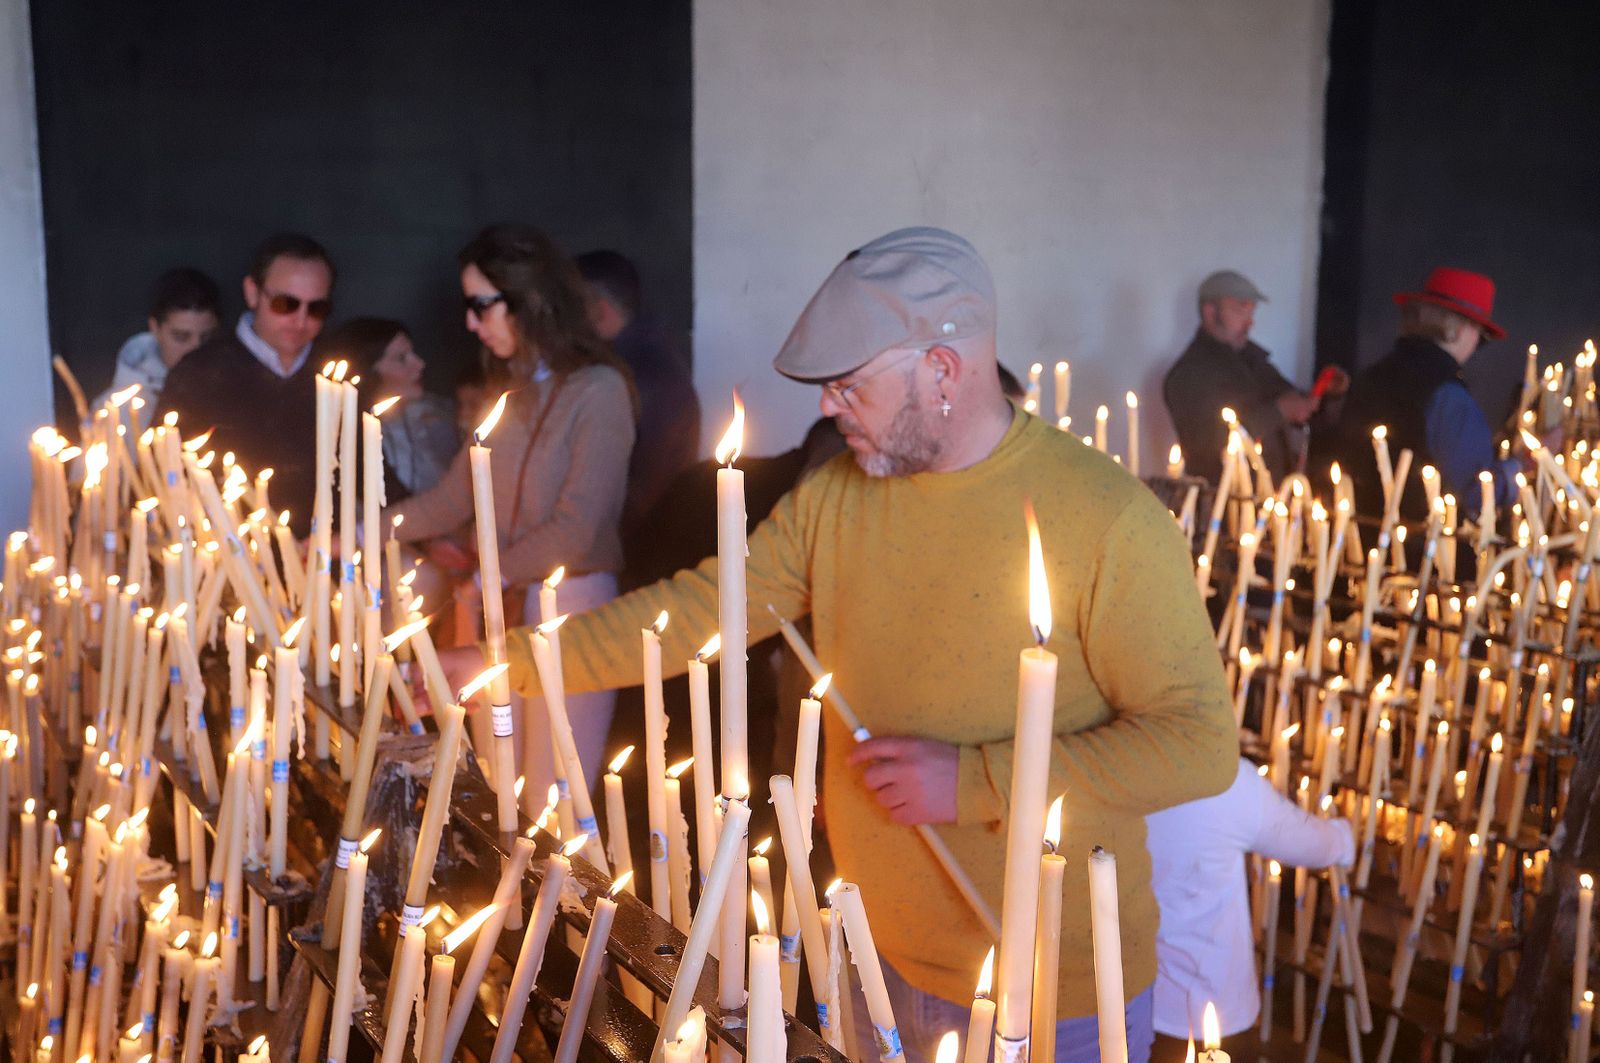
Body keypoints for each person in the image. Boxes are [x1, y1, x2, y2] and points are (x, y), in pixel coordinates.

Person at [446, 226, 1237, 1063]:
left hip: (1056, 981)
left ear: (942, 369)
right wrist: (514, 663)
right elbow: (701, 608)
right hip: (868, 952)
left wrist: (975, 779)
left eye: (850, 386)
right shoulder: (836, 495)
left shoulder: (1110, 519)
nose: (826, 407)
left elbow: (1198, 744)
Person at [387, 223, 636, 802]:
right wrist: (351, 534)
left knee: (554, 798)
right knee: (501, 790)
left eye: (482, 305)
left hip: (570, 603)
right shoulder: (512, 392)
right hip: (498, 602)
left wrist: (485, 577)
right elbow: (452, 499)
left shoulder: (599, 390)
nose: (472, 323)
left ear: (527, 297)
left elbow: (578, 528)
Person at [1143, 759, 1353, 1058]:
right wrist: (1345, 837)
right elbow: (1306, 841)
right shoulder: (1227, 780)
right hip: (1219, 1005)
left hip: (1136, 1001)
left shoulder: (1125, 766)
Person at [157, 233, 335, 535]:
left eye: (316, 308)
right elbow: (161, 477)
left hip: (323, 555)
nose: (301, 320)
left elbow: (373, 474)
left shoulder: (336, 374)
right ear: (253, 293)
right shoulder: (198, 374)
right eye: (285, 304)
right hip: (226, 558)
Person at [1325, 266, 1519, 521]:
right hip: (1421, 549)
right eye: (1481, 335)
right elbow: (1471, 492)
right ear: (1464, 329)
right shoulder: (1450, 397)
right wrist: (1522, 466)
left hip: (1355, 533)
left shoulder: (1371, 376)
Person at [1163, 270, 1345, 483]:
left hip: (1271, 497)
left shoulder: (1253, 361)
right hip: (1221, 503)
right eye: (1241, 311)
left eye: (1252, 313)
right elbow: (1207, 444)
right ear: (1210, 312)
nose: (1250, 323)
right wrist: (1280, 411)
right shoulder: (1188, 374)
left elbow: (1295, 402)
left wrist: (1327, 394)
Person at [575, 250, 701, 538]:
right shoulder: (644, 361)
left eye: (572, 306)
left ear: (599, 309)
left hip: (642, 547)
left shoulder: (640, 376)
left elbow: (645, 483)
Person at [314, 317, 461, 501]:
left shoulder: (441, 413)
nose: (419, 364)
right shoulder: (347, 439)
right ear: (368, 371)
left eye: (412, 353)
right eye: (401, 358)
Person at [93, 268, 221, 426]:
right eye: (181, 337)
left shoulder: (233, 391)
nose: (195, 349)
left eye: (206, 338)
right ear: (155, 328)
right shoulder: (114, 410)